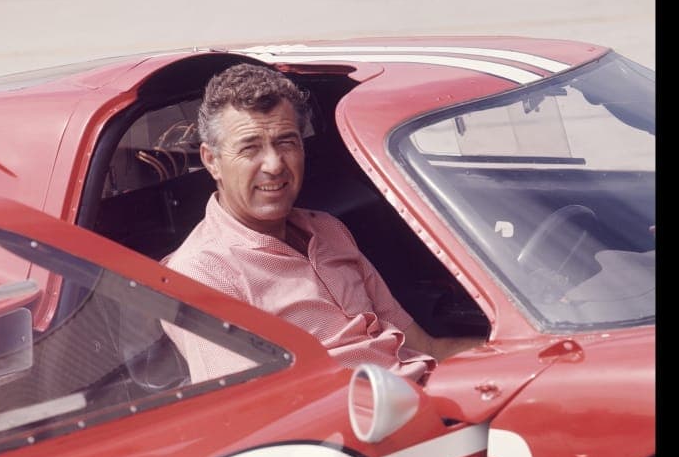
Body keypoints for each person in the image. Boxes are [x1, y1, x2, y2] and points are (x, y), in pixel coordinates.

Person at [163, 63, 485, 384]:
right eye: (250, 148)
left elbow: (423, 347)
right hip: (363, 426)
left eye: (286, 142)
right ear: (211, 161)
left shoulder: (329, 229)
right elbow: (252, 416)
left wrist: (516, 357)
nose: (274, 165)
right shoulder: (200, 277)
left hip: (424, 393)